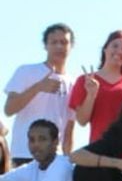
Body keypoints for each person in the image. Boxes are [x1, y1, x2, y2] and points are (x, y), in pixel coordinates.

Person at [5, 24, 76, 160]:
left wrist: (67, 161)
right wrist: (38, 87)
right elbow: (9, 109)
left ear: (70, 46)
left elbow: (69, 128)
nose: (59, 47)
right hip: (24, 153)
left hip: (55, 158)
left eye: (64, 42)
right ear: (45, 46)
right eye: (54, 42)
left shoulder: (73, 84)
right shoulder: (26, 71)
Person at [69, 32, 122, 145]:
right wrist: (91, 95)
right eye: (115, 46)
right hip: (99, 149)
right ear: (105, 49)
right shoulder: (85, 80)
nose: (119, 51)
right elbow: (82, 121)